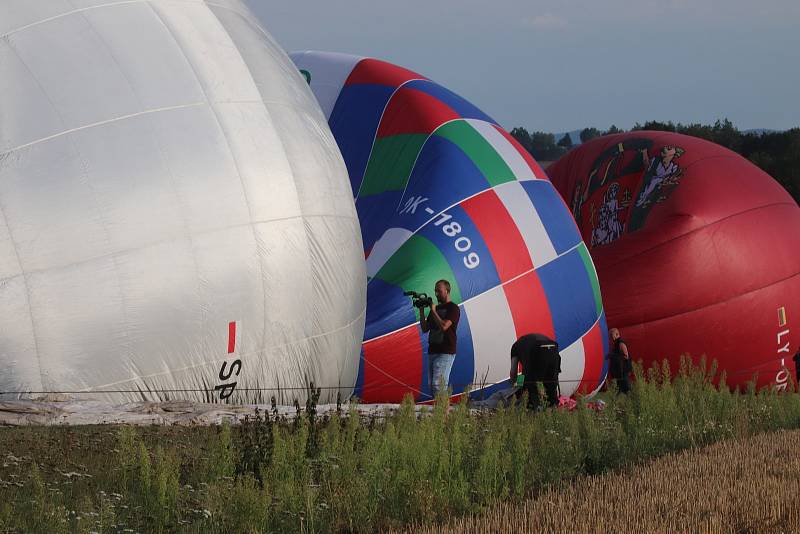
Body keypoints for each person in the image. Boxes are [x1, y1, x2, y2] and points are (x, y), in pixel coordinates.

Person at [419, 279, 460, 398]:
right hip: (433, 351)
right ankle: (441, 413)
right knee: (433, 387)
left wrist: (433, 310)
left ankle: (443, 415)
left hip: (445, 352)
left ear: (447, 291)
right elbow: (425, 328)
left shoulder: (453, 308)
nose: (436, 294)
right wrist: (422, 311)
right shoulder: (435, 309)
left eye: (439, 291)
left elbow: (444, 326)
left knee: (439, 386)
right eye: (435, 291)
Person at [509, 334, 561, 410]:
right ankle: (553, 407)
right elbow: (523, 371)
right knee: (551, 383)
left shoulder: (515, 348)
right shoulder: (524, 344)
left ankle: (535, 408)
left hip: (537, 349)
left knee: (530, 384)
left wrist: (515, 387)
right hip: (554, 348)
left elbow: (513, 372)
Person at [607, 328, 632, 393]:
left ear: (616, 334)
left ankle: (631, 400)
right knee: (618, 388)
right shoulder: (616, 343)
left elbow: (626, 356)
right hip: (618, 371)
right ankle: (616, 401)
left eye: (611, 335)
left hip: (623, 371)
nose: (610, 337)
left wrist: (613, 356)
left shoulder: (620, 343)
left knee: (626, 389)